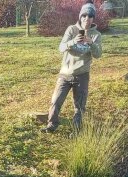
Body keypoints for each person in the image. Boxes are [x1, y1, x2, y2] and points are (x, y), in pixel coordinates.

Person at [42, 1, 102, 133]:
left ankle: (75, 130)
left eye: (90, 16)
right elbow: (61, 47)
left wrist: (91, 43)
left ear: (93, 18)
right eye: (84, 15)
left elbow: (98, 55)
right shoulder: (71, 29)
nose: (87, 19)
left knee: (79, 106)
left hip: (82, 75)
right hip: (65, 74)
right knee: (56, 101)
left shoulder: (96, 35)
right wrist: (73, 41)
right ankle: (52, 125)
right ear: (80, 16)